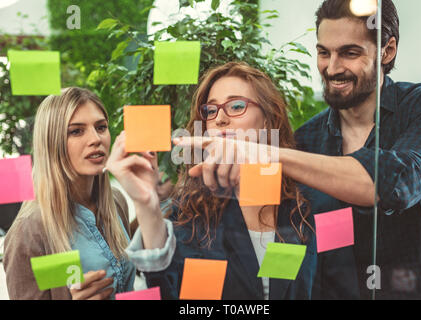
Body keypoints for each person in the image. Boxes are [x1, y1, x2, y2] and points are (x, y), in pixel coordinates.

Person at [175, 0, 421, 300]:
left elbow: (399, 182)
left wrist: (260, 152)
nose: (332, 68)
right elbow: (294, 242)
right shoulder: (306, 142)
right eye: (323, 52)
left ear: (387, 50)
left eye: (349, 52)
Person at [108, 62, 317, 300]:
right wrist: (147, 204)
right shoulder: (191, 211)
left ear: (268, 121)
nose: (220, 119)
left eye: (236, 106)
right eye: (210, 111)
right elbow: (168, 291)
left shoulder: (302, 206)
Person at [4, 87, 136, 300]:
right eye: (76, 131)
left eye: (101, 127)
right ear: (52, 143)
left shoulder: (116, 202)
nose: (95, 139)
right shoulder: (30, 231)